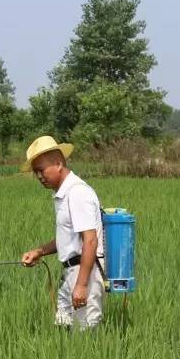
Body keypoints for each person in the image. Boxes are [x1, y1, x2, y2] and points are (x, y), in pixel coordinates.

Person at [19, 136, 106, 329]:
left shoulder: (77, 193)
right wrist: (39, 252)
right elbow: (67, 239)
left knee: (84, 333)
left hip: (85, 273)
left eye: (41, 170)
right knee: (63, 329)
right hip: (71, 272)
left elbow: (90, 241)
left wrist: (82, 286)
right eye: (36, 172)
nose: (39, 176)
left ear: (58, 163)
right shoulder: (63, 194)